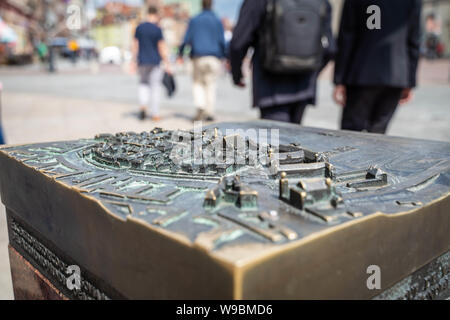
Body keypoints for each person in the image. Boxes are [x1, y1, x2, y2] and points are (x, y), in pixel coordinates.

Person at [230, 0, 335, 124]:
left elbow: (238, 43)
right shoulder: (322, 2)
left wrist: (237, 74)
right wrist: (313, 72)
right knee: (294, 138)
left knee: (275, 139)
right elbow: (330, 48)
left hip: (270, 86)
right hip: (305, 85)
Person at [333, 0, 422, 134]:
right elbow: (414, 41)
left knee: (350, 133)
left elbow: (346, 38)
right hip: (396, 74)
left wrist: (339, 79)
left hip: (361, 73)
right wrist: (409, 81)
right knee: (379, 132)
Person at [178, 0, 226, 122]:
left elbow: (186, 39)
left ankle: (200, 105)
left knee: (198, 83)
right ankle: (209, 112)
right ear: (212, 5)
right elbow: (222, 41)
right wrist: (226, 56)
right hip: (214, 57)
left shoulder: (194, 20)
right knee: (211, 84)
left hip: (198, 57)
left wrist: (180, 52)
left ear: (201, 5)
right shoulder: (217, 21)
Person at [133, 6, 172, 121]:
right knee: (155, 87)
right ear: (155, 15)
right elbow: (161, 46)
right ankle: (155, 114)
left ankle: (143, 105)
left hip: (142, 61)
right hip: (155, 61)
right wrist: (167, 62)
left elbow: (135, 44)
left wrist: (133, 60)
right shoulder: (157, 29)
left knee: (143, 84)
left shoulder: (139, 28)